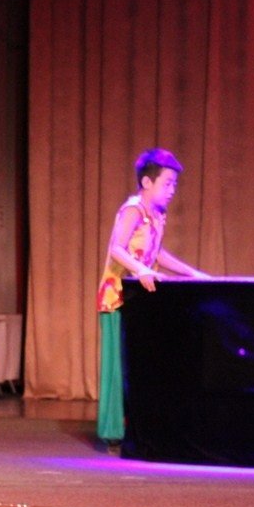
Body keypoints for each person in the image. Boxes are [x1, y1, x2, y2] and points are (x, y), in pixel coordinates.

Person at [96, 148, 208, 451]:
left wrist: (192, 273)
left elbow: (157, 253)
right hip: (117, 295)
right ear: (147, 182)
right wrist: (141, 269)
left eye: (174, 185)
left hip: (138, 297)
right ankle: (113, 431)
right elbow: (117, 248)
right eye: (167, 183)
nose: (172, 190)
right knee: (117, 364)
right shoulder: (133, 209)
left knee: (138, 363)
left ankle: (137, 424)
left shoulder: (157, 214)